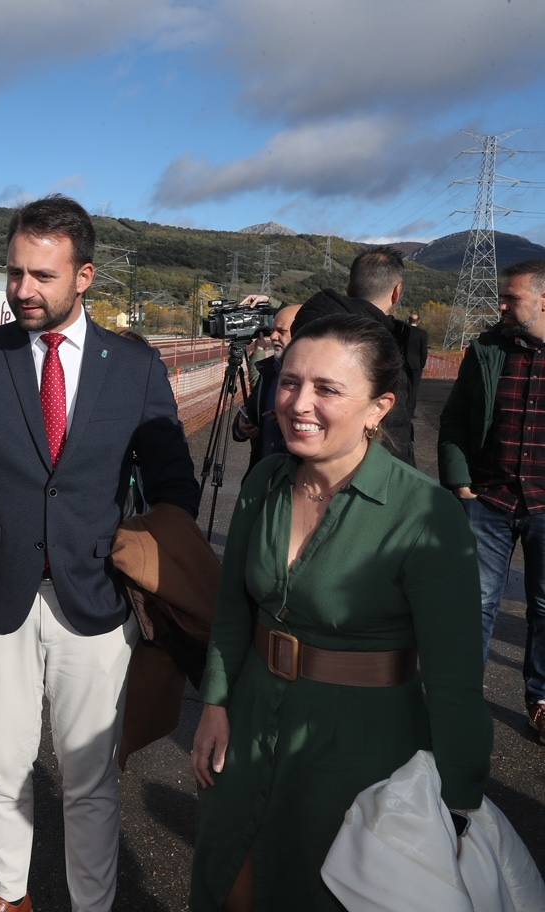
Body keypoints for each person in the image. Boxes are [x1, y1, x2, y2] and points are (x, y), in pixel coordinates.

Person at [0, 195, 200, 912]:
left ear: (85, 276)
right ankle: (8, 896)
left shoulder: (134, 367)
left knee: (90, 775)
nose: (22, 291)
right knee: (2, 767)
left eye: (41, 276)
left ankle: (90, 904)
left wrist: (155, 559)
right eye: (14, 274)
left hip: (96, 596)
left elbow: (173, 483)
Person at [191, 314, 491, 911]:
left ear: (379, 408)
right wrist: (215, 704)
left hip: (363, 744)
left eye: (328, 389)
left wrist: (457, 805)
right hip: (251, 719)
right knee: (230, 881)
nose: (298, 403)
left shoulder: (426, 514)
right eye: (289, 382)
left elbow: (455, 679)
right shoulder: (266, 483)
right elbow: (232, 609)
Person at [439, 259, 545, 742]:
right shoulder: (487, 349)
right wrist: (459, 481)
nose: (501, 304)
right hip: (490, 500)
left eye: (512, 297)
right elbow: (456, 419)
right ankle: (459, 701)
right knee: (473, 602)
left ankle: (540, 699)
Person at [292, 247, 419, 465]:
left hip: (300, 468)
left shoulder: (309, 328)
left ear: (350, 287)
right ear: (397, 292)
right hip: (374, 475)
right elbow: (395, 431)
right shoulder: (385, 348)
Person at [232, 303, 299, 472]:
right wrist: (241, 425)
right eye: (273, 330)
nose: (273, 336)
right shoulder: (268, 372)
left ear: (301, 334)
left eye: (281, 331)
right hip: (260, 481)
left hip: (294, 482)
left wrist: (292, 420)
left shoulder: (317, 380)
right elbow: (251, 411)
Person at [405, 310, 430, 416]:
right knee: (413, 389)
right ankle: (410, 411)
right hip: (416, 365)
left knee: (401, 387)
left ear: (408, 320)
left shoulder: (403, 331)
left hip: (402, 364)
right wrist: (422, 364)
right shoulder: (422, 334)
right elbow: (423, 351)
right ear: (418, 321)